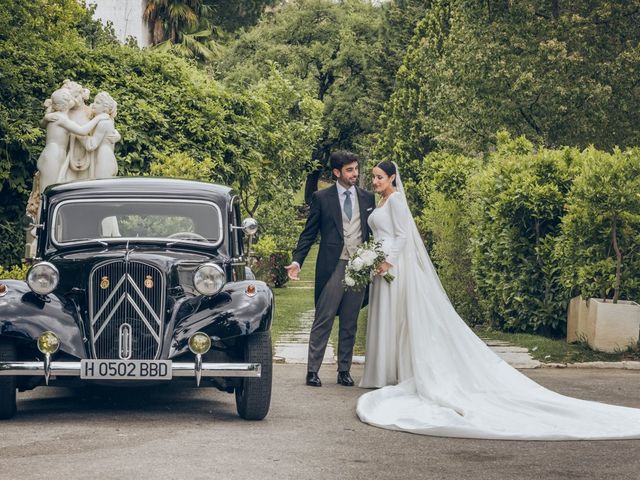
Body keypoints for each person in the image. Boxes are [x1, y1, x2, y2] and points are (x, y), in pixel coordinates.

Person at [356, 160, 640, 440]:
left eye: (380, 177)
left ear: (393, 178)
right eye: (374, 177)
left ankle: (394, 373)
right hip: (380, 267)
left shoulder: (396, 201)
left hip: (393, 268)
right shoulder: (380, 203)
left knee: (396, 319)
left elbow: (404, 236)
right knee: (384, 319)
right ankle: (382, 372)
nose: (376, 182)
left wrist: (388, 262)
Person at [285, 151, 375, 387]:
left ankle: (344, 370)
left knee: (350, 321)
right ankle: (312, 371)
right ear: (336, 172)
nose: (355, 174)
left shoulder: (367, 198)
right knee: (323, 319)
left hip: (360, 267)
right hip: (333, 265)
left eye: (356, 169)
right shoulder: (322, 198)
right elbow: (309, 234)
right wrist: (297, 261)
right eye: (349, 170)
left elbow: (374, 234)